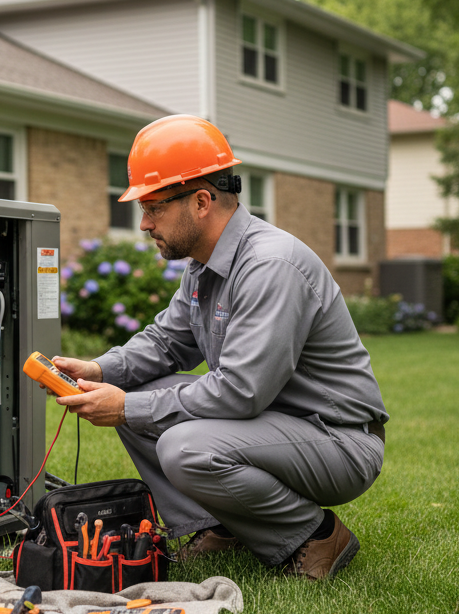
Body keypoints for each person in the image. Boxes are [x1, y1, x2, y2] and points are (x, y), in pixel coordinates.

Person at [51, 114, 388, 580]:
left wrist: (127, 406)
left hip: (339, 438)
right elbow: (167, 342)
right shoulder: (204, 264)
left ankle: (317, 535)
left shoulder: (270, 265)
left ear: (202, 201)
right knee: (139, 392)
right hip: (277, 425)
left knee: (181, 443)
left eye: (153, 207)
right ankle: (221, 526)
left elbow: (240, 392)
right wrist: (99, 371)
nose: (145, 223)